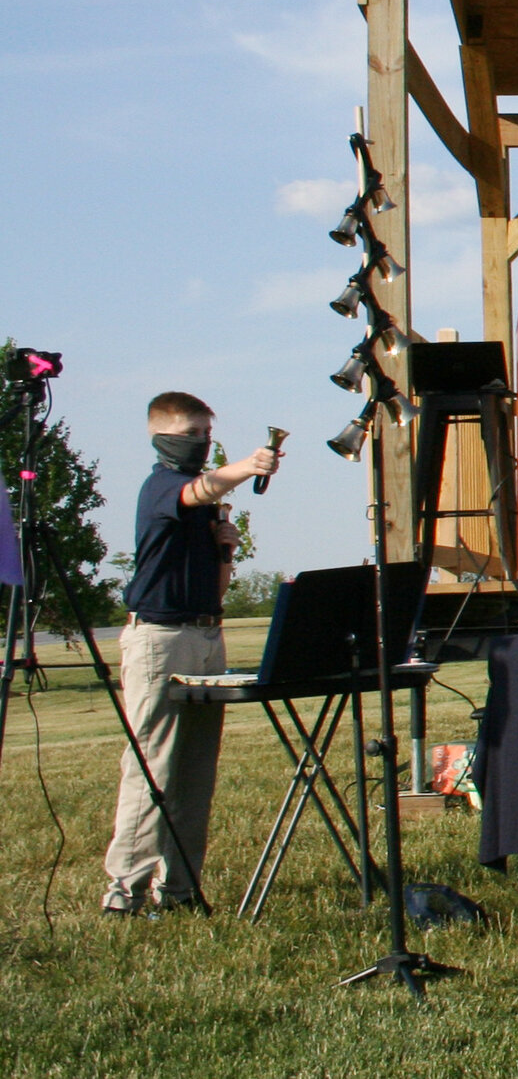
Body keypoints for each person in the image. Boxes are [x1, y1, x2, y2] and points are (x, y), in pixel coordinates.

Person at [98, 391, 276, 917]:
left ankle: (178, 888)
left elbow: (216, 589)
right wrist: (246, 466)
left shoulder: (201, 506)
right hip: (159, 637)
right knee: (153, 764)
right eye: (194, 434)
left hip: (204, 634)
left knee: (196, 768)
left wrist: (225, 548)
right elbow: (196, 490)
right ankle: (123, 891)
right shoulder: (161, 486)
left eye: (207, 435)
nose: (202, 443)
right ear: (164, 436)